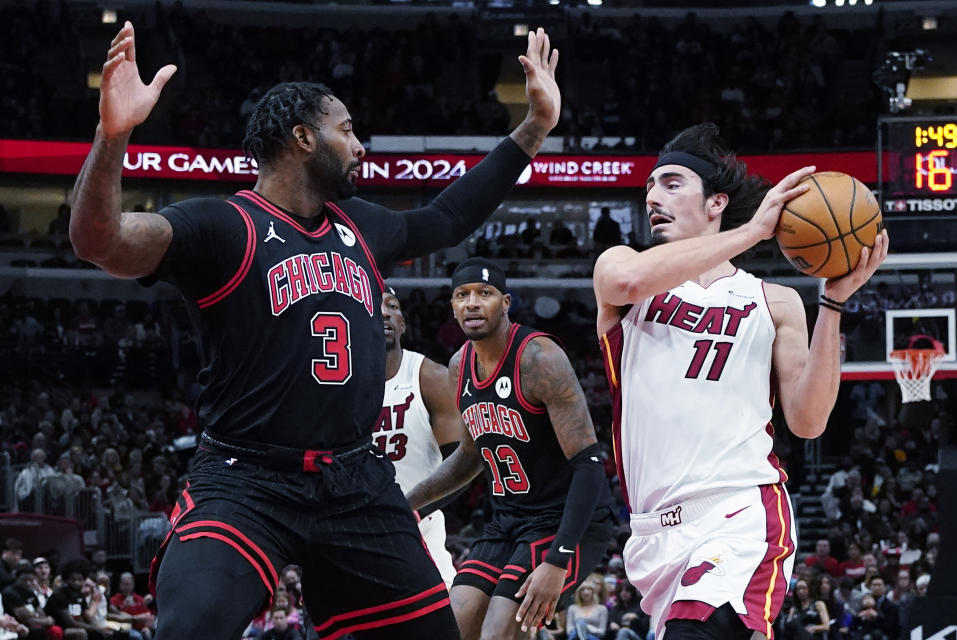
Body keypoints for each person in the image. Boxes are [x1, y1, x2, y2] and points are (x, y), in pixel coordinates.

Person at [69, 19, 559, 640]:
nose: (361, 145)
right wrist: (112, 136)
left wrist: (535, 127)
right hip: (246, 477)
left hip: (354, 479)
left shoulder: (358, 223)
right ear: (302, 138)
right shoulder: (223, 226)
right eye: (347, 129)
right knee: (189, 627)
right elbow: (100, 243)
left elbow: (448, 218)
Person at [592, 122, 888, 640]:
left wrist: (834, 304)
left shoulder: (774, 301)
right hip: (652, 534)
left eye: (671, 182)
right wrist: (755, 231)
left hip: (740, 512)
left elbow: (809, 419)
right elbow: (628, 281)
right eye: (649, 188)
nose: (653, 196)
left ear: (715, 203)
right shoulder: (622, 267)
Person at [407, 258, 616, 639]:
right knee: (453, 627)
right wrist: (408, 505)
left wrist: (558, 560)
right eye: (462, 295)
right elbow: (469, 457)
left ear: (505, 302)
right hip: (508, 522)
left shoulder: (539, 358)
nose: (472, 303)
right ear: (452, 307)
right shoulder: (459, 366)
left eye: (484, 294)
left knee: (498, 632)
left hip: (564, 522)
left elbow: (589, 464)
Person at [379, 287, 461, 587]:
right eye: (375, 306)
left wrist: (414, 510)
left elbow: (462, 466)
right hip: (355, 530)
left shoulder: (430, 378)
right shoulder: (337, 383)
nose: (385, 312)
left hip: (419, 532)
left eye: (393, 306)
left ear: (402, 323)